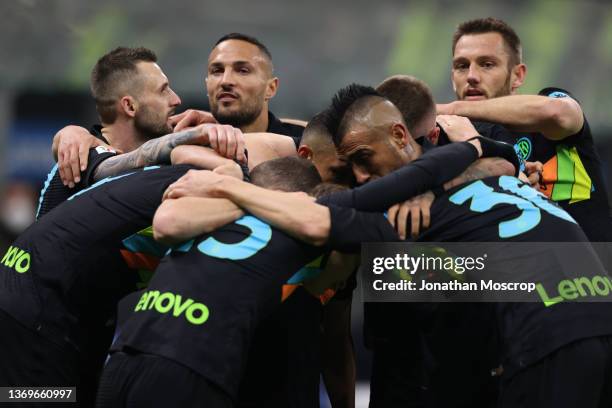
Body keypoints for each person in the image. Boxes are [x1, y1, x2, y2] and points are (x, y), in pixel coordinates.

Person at [323, 83, 612, 408]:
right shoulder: (484, 159)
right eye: (461, 65)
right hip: (578, 311)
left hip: (543, 333)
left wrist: (432, 184)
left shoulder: (462, 149)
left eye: (486, 63)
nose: (360, 176)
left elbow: (508, 153)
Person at [96, 157, 401, 408]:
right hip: (191, 370)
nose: (338, 290)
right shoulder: (315, 232)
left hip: (123, 359)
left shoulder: (219, 218)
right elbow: (421, 270)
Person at [438, 17, 612, 242]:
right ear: (453, 78)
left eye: (487, 64)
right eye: (462, 66)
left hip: (594, 272)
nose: (471, 76)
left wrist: (450, 109)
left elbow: (558, 113)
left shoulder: (548, 104)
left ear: (517, 75)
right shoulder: (446, 144)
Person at [38, 47, 245, 218]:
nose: (176, 100)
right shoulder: (82, 156)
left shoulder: (157, 163)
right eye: (163, 90)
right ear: (130, 107)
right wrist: (198, 135)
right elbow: (121, 164)